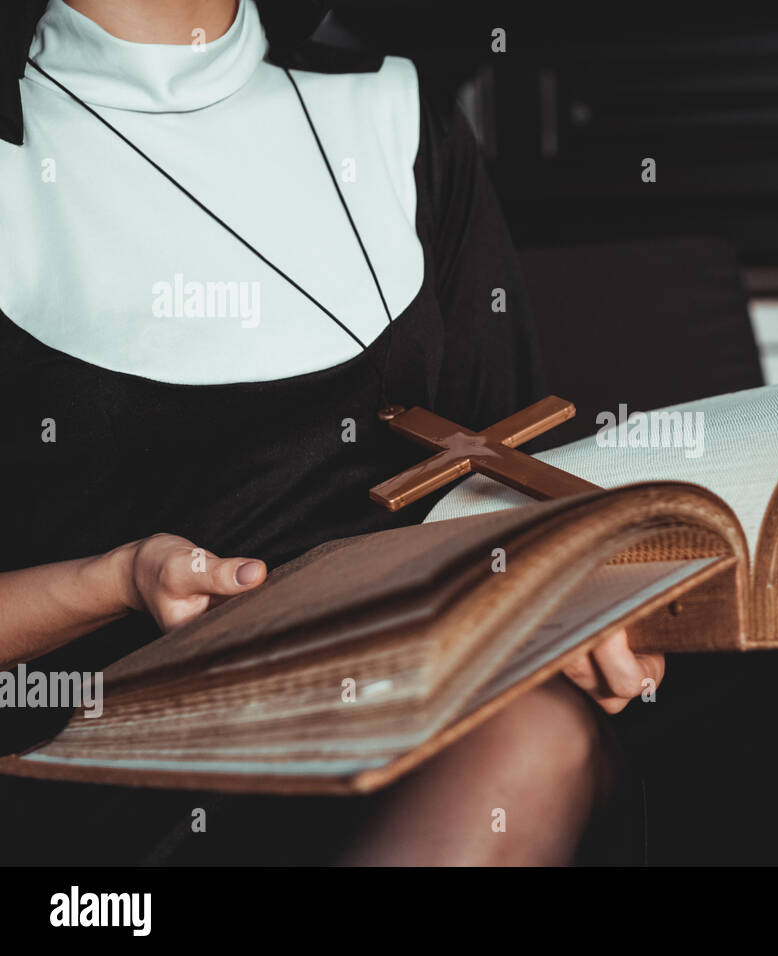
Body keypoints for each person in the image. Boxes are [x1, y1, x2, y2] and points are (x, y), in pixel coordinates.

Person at [0, 0, 663, 865]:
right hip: (109, 775)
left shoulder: (396, 113)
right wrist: (118, 579)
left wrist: (571, 593)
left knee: (533, 736)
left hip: (419, 724)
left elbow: (510, 480)